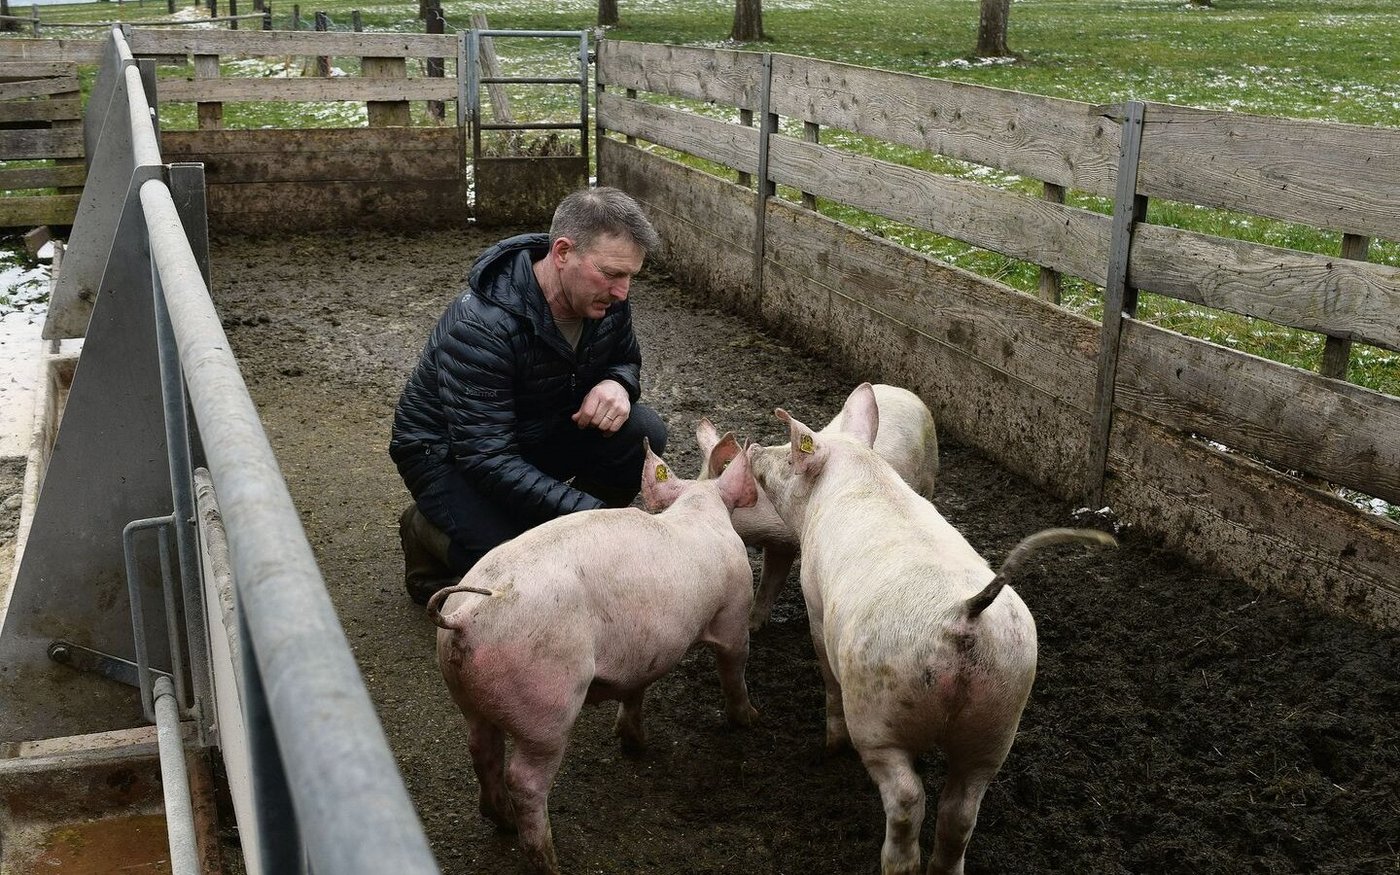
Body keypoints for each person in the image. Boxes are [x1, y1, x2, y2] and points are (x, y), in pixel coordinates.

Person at [389, 186, 668, 604]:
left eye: (630, 276)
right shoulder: (481, 326)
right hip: (451, 456)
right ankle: (426, 533)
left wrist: (619, 384)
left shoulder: (605, 300)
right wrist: (591, 515)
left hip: (536, 430)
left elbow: (624, 359)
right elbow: (486, 456)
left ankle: (560, 535)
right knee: (524, 574)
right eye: (611, 273)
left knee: (642, 430)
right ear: (561, 252)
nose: (622, 291)